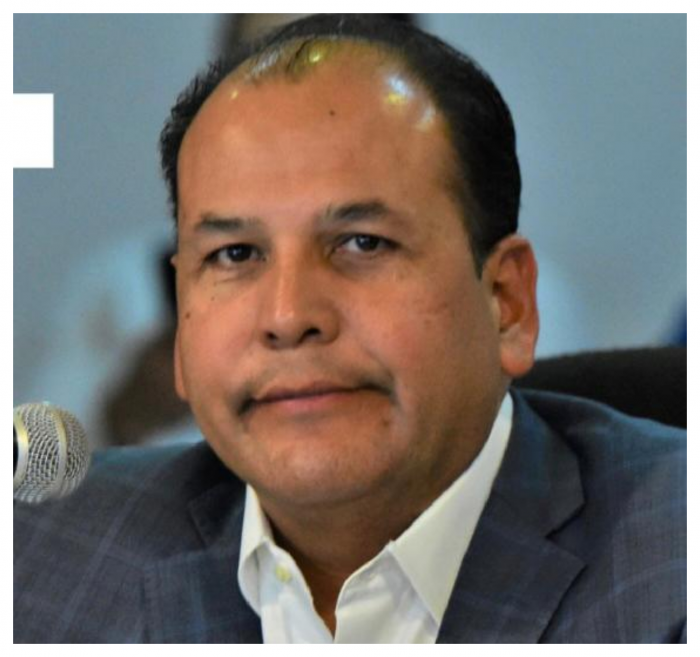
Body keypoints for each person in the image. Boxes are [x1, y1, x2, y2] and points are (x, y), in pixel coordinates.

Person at [14, 15, 686, 643]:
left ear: (506, 303)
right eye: (235, 254)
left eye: (363, 243)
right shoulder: (39, 557)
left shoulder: (671, 569)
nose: (287, 316)